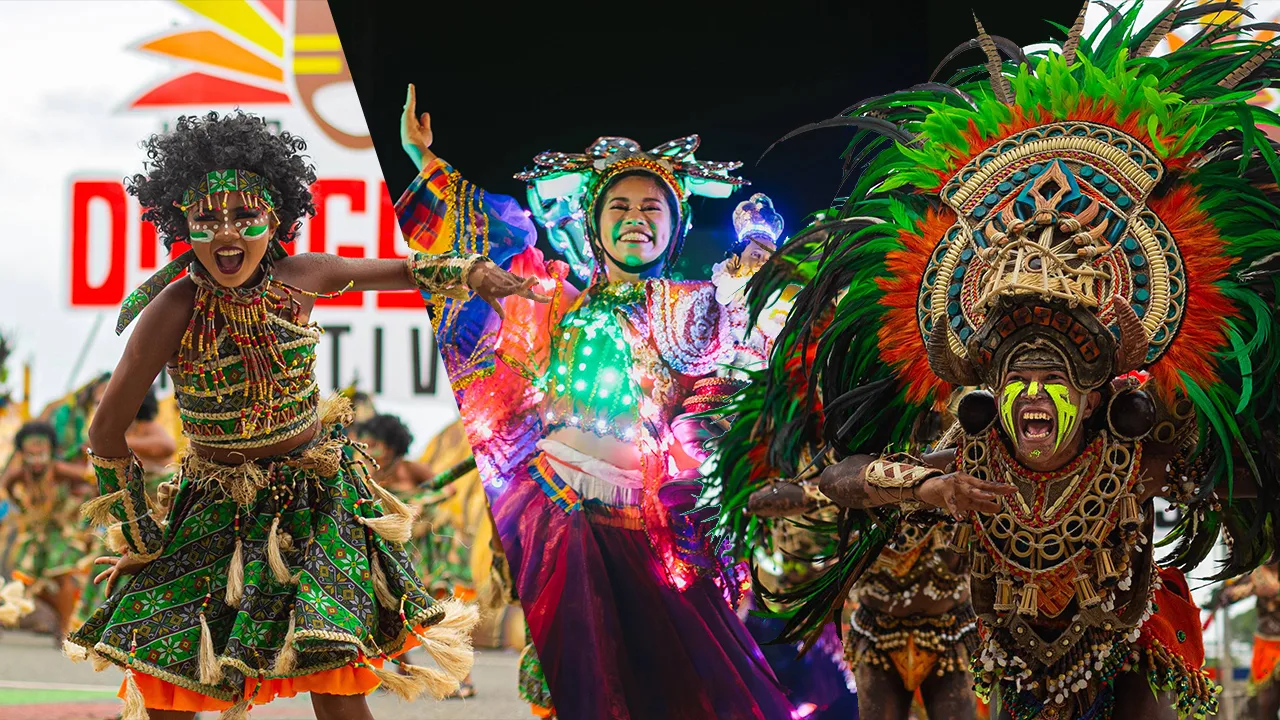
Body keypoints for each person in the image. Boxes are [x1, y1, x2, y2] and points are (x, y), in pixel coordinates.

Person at [715, 3, 1280, 718]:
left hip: (1125, 651)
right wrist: (921, 491)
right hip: (1012, 667)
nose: (1034, 395)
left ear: (1097, 392)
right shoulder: (971, 459)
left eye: (1053, 380)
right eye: (1018, 380)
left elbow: (1240, 478)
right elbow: (839, 482)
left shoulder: (1137, 449)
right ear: (990, 393)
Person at [60, 111, 528, 720]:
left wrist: (469, 273)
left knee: (333, 676)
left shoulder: (303, 276)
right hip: (212, 510)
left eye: (244, 215)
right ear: (183, 225)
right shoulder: (172, 308)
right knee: (172, 684)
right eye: (207, 218)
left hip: (313, 503)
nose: (226, 232)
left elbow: (402, 269)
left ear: (274, 218)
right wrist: (145, 537)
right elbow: (104, 432)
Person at [395, 84, 794, 719]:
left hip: (651, 524)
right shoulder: (555, 299)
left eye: (652, 207)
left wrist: (758, 269)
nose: (636, 216)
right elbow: (484, 244)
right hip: (555, 507)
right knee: (578, 681)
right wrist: (426, 163)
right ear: (595, 223)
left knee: (667, 687)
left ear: (675, 225)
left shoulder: (698, 304)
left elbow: (741, 368)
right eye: (619, 206)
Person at [2, 421, 92, 644]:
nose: (36, 460)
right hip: (33, 534)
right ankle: (60, 619)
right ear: (22, 454)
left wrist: (78, 507)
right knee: (21, 579)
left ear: (50, 452)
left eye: (41, 454)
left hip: (60, 534)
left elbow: (93, 479)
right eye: (30, 455)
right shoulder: (18, 475)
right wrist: (21, 507)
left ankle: (65, 630)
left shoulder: (61, 470)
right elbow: (6, 486)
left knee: (61, 575)